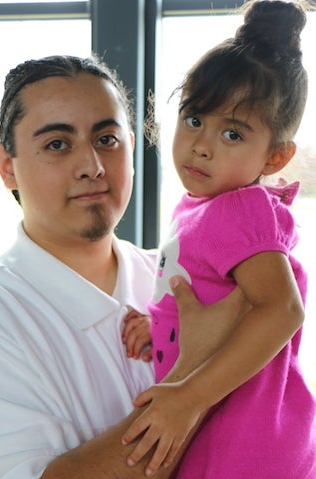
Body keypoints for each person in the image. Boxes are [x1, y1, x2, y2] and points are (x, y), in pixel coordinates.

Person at [0, 54, 246, 479]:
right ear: (8, 168)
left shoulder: (182, 278)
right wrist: (201, 370)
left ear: (132, 148)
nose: (93, 167)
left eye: (107, 140)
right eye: (57, 144)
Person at [121, 1, 316, 477]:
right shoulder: (202, 205)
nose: (202, 144)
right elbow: (212, 292)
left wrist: (189, 397)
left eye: (232, 133)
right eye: (193, 119)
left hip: (243, 443)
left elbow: (282, 309)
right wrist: (164, 325)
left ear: (274, 158)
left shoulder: (239, 208)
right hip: (229, 432)